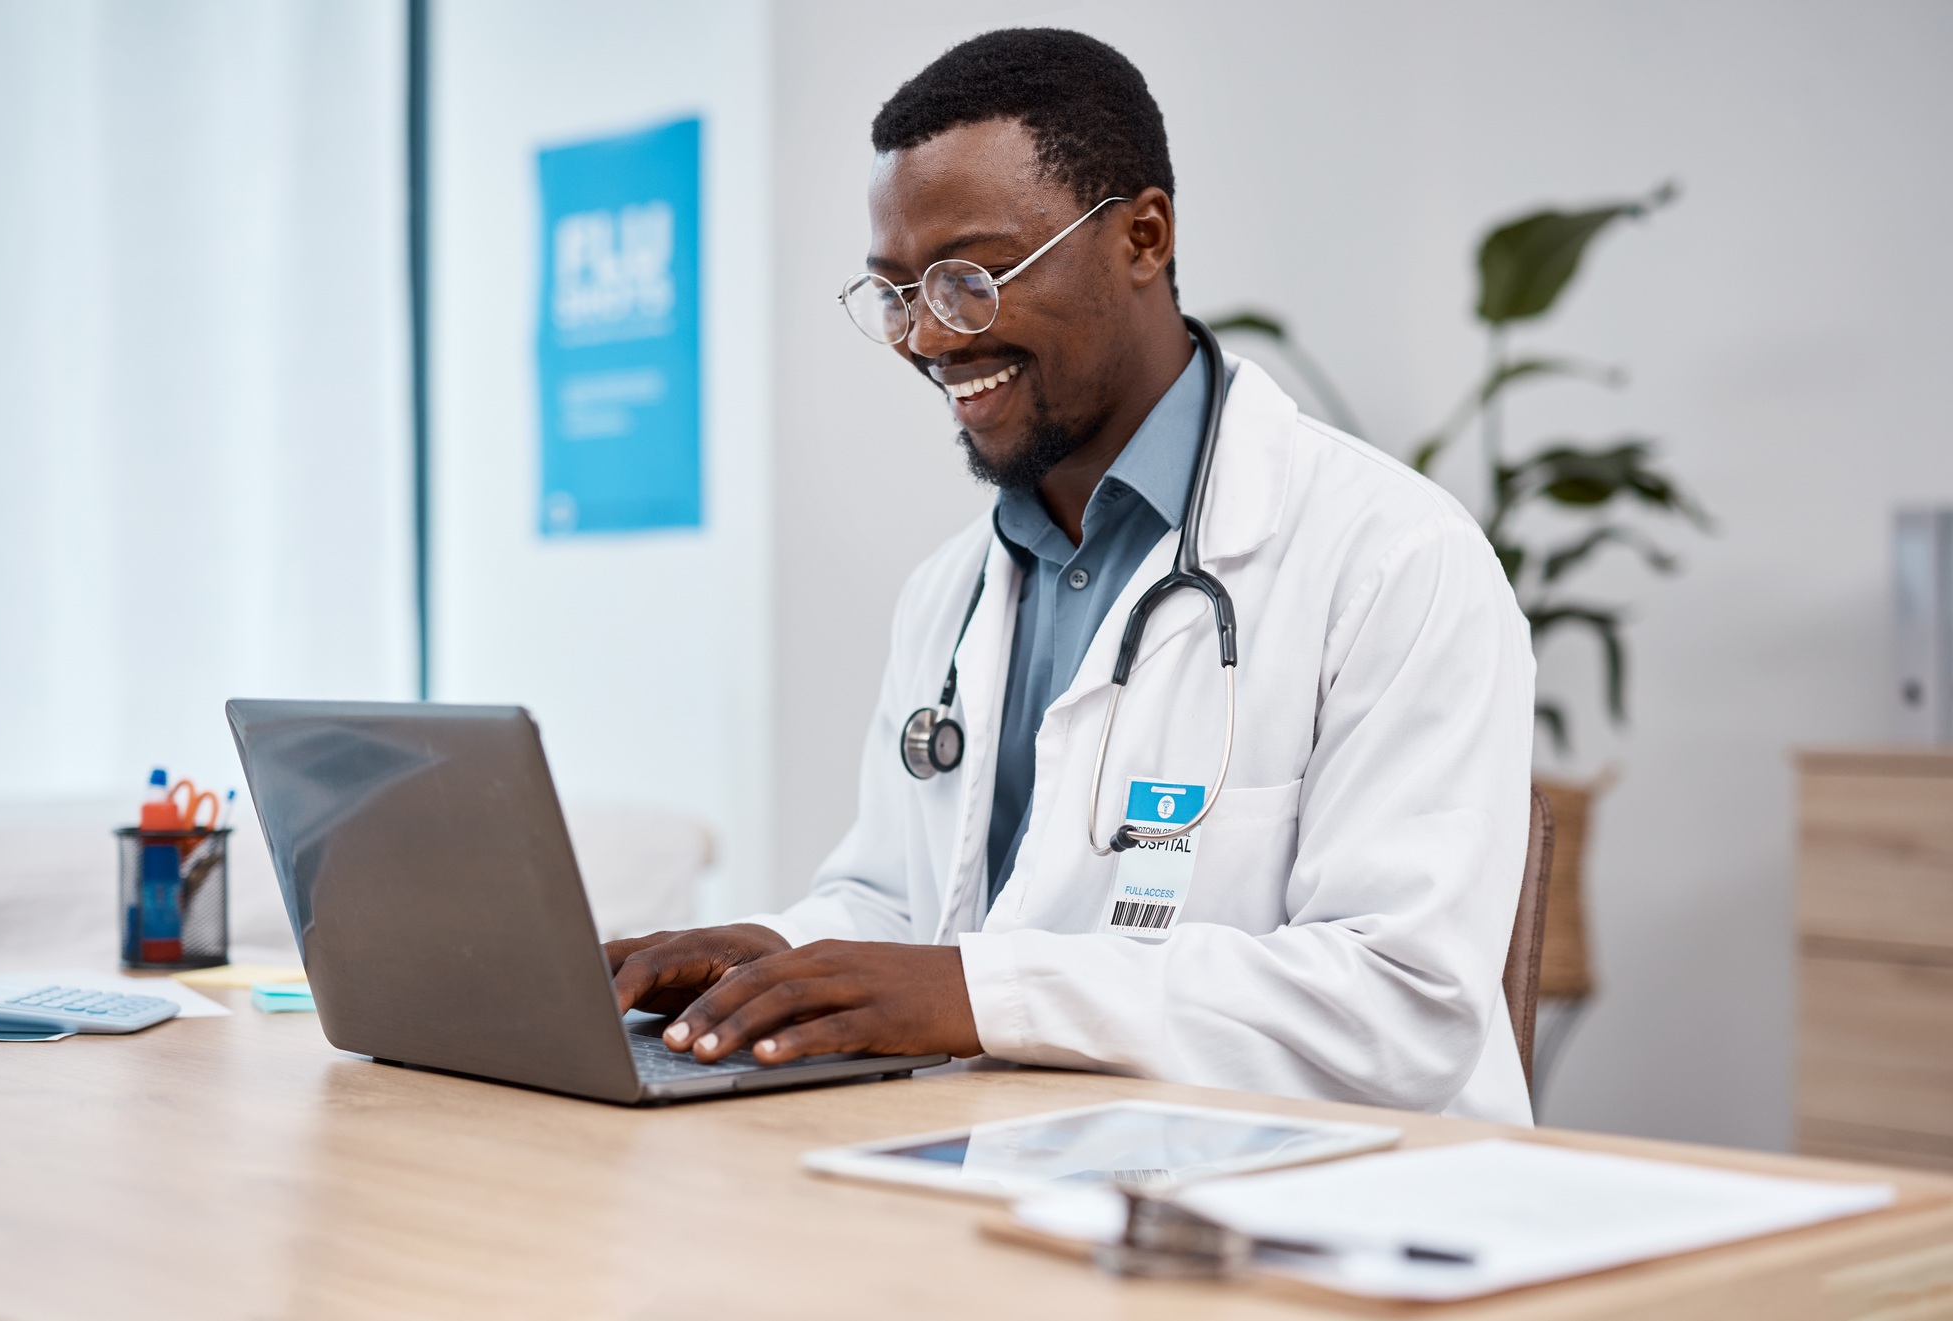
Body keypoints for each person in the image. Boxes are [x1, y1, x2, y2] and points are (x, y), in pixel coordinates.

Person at [604, 28, 1536, 1122]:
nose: (926, 339)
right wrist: (770, 956)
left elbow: (1397, 1003)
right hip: (1028, 1170)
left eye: (969, 278)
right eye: (896, 293)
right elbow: (905, 905)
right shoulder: (950, 594)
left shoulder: (1393, 560)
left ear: (1142, 236)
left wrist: (977, 991)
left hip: (1334, 1217)